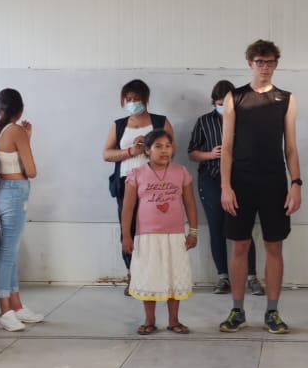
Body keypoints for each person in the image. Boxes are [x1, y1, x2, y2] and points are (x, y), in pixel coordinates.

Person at [219, 39, 303, 335]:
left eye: (270, 62)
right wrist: (225, 186)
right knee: (239, 246)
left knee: (274, 246)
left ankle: (272, 311)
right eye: (260, 62)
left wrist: (296, 183)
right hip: (240, 182)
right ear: (250, 64)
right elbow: (227, 147)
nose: (265, 67)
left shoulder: (286, 99)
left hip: (274, 182)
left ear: (276, 64)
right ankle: (237, 310)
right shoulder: (235, 97)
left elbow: (290, 147)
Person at [188, 80, 263, 296]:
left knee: (244, 228)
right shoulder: (204, 121)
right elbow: (192, 153)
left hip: (241, 179)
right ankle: (222, 277)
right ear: (214, 103)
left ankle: (251, 277)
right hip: (211, 178)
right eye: (219, 104)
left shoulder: (247, 119)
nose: (223, 107)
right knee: (217, 227)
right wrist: (211, 154)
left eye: (227, 104)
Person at [121, 132, 199, 335]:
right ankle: (150, 320)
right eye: (158, 146)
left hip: (175, 236)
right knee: (150, 276)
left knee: (175, 276)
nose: (164, 150)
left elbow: (190, 204)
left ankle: (174, 320)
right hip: (147, 236)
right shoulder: (136, 174)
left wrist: (193, 232)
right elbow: (127, 208)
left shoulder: (181, 172)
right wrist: (126, 236)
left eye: (168, 146)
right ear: (147, 150)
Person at [102, 79, 175, 284]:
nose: (133, 103)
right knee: (128, 229)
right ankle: (132, 275)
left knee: (154, 229)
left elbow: (171, 152)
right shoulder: (119, 125)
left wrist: (149, 147)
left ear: (146, 99)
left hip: (155, 184)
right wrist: (130, 151)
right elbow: (106, 154)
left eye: (137, 99)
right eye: (129, 99)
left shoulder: (160, 122)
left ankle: (155, 275)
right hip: (126, 184)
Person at [0, 88, 44, 332]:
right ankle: (5, 311)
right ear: (20, 109)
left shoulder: (0, 131)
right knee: (8, 255)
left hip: (5, 191)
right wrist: (26, 138)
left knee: (11, 253)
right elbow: (31, 170)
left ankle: (16, 306)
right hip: (13, 193)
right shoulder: (16, 131)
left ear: (0, 109)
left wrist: (25, 138)